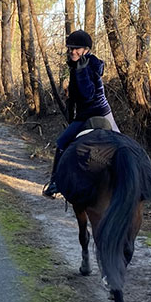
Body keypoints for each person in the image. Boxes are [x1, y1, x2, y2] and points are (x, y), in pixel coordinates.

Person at [42, 29, 120, 198]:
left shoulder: (88, 66)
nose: (73, 51)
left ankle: (55, 182)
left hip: (95, 113)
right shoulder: (78, 64)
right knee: (62, 142)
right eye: (71, 48)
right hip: (93, 113)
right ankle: (56, 183)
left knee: (62, 143)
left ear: (86, 50)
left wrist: (81, 72)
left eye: (77, 48)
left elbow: (88, 94)